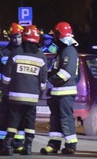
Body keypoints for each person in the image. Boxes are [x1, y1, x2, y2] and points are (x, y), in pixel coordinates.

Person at [0, 24, 49, 156]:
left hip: (15, 96)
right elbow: (43, 81)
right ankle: (28, 147)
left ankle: (8, 146)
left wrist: (5, 90)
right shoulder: (41, 56)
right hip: (32, 98)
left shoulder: (16, 53)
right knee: (30, 123)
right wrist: (40, 95)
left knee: (13, 121)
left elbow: (7, 75)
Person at [41, 21, 79, 155]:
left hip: (65, 92)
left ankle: (70, 145)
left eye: (56, 35)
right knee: (55, 119)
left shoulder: (69, 51)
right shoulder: (62, 51)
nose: (54, 38)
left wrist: (50, 78)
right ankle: (54, 144)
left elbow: (65, 74)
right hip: (58, 91)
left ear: (60, 35)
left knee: (65, 118)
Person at [0, 23, 25, 155]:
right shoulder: (2, 53)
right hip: (6, 92)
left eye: (18, 36)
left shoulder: (25, 52)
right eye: (14, 37)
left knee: (20, 119)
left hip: (20, 92)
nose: (16, 39)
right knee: (3, 120)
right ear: (9, 38)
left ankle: (17, 144)